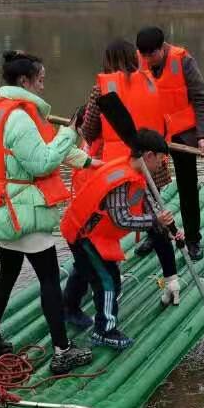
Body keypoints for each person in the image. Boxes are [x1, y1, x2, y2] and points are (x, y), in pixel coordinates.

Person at [0, 50, 95, 374]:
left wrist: (89, 161)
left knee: (7, 274)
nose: (43, 88)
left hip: (5, 208)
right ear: (24, 81)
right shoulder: (20, 118)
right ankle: (62, 350)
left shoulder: (2, 110)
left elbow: (42, 151)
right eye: (40, 81)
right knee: (48, 279)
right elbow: (43, 161)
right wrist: (71, 131)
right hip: (25, 211)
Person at [78, 39, 181, 302]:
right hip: (152, 166)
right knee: (157, 221)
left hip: (120, 168)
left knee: (108, 224)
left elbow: (90, 130)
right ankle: (172, 280)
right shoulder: (149, 81)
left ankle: (110, 277)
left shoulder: (101, 88)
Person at [61, 130, 176, 349]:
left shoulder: (137, 173)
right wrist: (154, 221)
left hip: (91, 234)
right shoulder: (120, 178)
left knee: (86, 268)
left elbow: (149, 203)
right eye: (161, 161)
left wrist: (170, 228)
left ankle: (69, 308)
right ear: (149, 156)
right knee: (107, 280)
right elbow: (122, 218)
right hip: (84, 234)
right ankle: (104, 330)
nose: (161, 166)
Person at [135, 26, 204, 260]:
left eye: (152, 55)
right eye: (144, 55)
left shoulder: (184, 60)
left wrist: (202, 136)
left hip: (182, 135)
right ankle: (154, 233)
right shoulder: (138, 61)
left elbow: (201, 98)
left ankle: (193, 239)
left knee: (188, 188)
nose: (147, 60)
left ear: (162, 48)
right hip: (152, 135)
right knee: (149, 187)